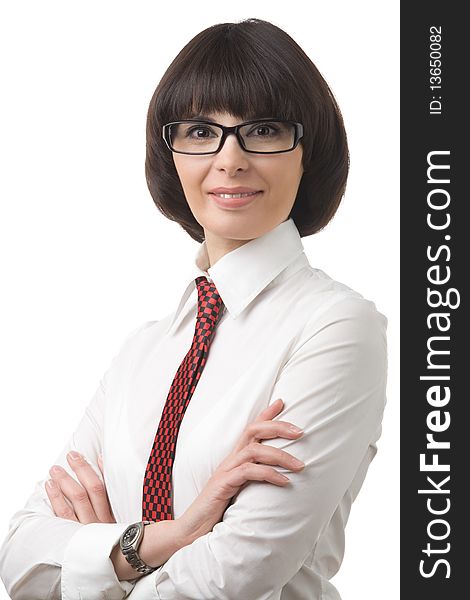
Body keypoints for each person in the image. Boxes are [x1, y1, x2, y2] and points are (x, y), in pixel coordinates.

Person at [0, 17, 388, 600]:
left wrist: (99, 561)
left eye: (262, 129)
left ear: (309, 152)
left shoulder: (336, 326)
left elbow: (242, 568)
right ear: (172, 153)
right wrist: (167, 537)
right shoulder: (143, 350)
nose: (229, 161)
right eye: (201, 131)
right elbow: (20, 556)